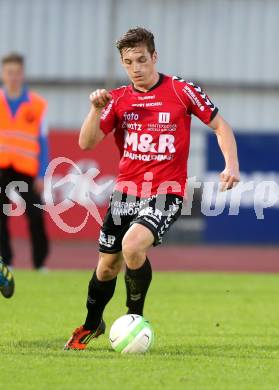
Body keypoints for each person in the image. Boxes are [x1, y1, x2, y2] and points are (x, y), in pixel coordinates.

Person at [64, 27, 240, 350]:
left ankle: (134, 320)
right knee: (107, 268)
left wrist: (231, 164)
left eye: (142, 60)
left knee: (133, 246)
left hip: (167, 191)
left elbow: (220, 125)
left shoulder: (181, 91)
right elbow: (86, 142)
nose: (136, 68)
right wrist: (93, 109)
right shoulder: (117, 99)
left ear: (154, 57)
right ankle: (92, 324)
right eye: (129, 62)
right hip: (125, 193)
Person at [0, 53, 49, 270]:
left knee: (36, 215)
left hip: (26, 169)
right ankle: (6, 261)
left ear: (23, 74)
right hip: (1, 167)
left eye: (17, 72)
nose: (13, 77)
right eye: (9, 72)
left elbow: (43, 141)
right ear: (3, 74)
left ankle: (39, 264)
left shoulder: (37, 105)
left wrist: (41, 174)